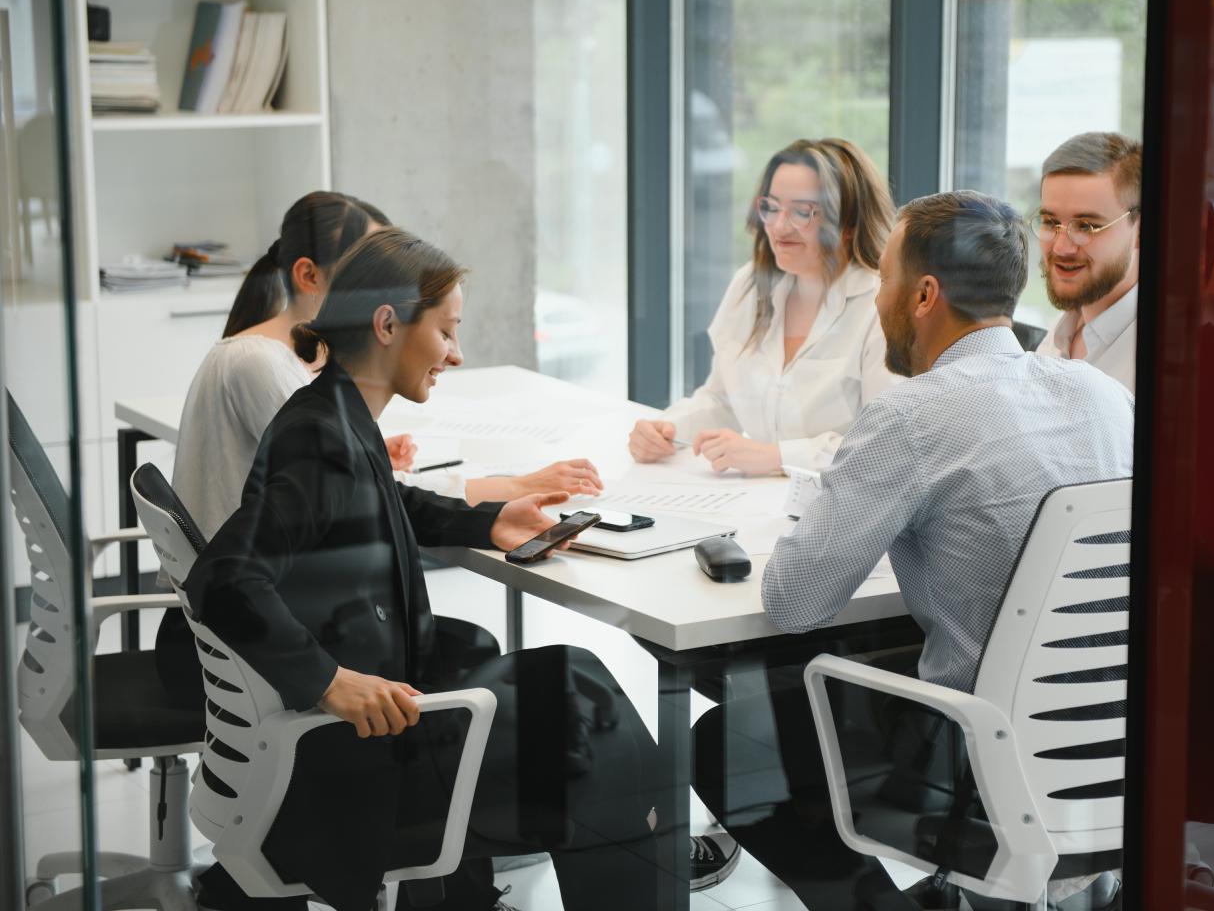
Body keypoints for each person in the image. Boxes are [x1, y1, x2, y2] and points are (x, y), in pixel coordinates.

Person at [185, 229, 665, 911]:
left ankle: (462, 896)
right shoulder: (323, 437)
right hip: (359, 768)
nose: (456, 354)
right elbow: (222, 578)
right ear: (388, 325)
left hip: (354, 744)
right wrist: (329, 681)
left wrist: (487, 521)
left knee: (571, 677)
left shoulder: (334, 414)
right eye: (446, 332)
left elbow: (383, 501)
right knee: (590, 713)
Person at [692, 191, 1135, 911]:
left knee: (729, 740)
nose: (876, 303)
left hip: (986, 764)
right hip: (1121, 746)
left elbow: (795, 602)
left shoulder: (911, 417)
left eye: (885, 284)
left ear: (924, 294)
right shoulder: (1104, 395)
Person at [174, 190, 601, 539]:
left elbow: (349, 486)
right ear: (309, 275)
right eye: (366, 265)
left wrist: (368, 452)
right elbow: (378, 500)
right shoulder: (264, 368)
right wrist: (514, 487)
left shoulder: (279, 363)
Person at [629, 137, 898, 474]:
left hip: (835, 509)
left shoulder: (880, 307)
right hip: (752, 501)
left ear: (849, 224)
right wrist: (665, 429)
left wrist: (777, 458)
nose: (779, 226)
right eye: (771, 206)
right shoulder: (749, 285)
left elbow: (885, 446)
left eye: (803, 212)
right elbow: (720, 399)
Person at [1034, 132, 1142, 393]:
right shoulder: (1059, 334)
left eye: (1087, 226)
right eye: (1050, 222)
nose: (1062, 247)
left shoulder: (1164, 362)